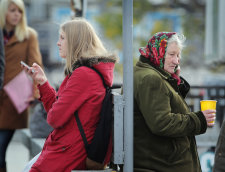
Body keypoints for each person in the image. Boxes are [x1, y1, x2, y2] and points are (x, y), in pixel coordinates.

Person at [21, 18, 117, 172]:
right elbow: (57, 110)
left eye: (62, 38)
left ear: (75, 41)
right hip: (70, 146)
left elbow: (54, 118)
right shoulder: (85, 72)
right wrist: (43, 82)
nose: (58, 43)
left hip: (70, 150)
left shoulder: (83, 75)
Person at [133, 32, 216, 172]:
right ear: (157, 52)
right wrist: (200, 119)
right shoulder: (151, 79)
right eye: (171, 55)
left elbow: (164, 104)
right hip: (163, 164)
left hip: (159, 162)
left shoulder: (146, 72)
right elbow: (162, 122)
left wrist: (174, 81)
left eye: (178, 56)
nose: (176, 61)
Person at [0, 0, 43, 172]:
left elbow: (35, 66)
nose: (17, 14)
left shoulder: (28, 35)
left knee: (0, 148)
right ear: (3, 12)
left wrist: (34, 94)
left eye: (20, 11)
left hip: (13, 99)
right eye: (12, 10)